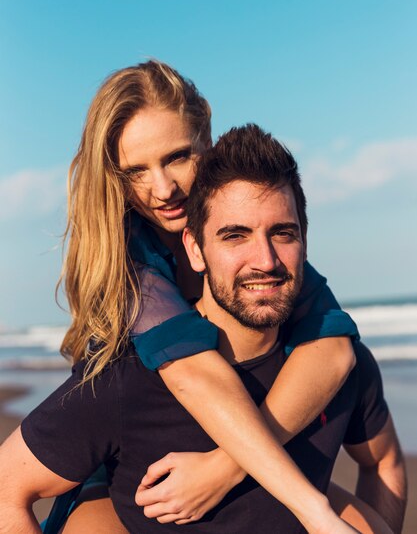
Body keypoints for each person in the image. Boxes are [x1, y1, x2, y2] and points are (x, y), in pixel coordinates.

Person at [0, 125, 406, 534]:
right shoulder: (128, 378)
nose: (265, 260)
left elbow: (384, 461)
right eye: (235, 236)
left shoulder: (340, 363)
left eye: (283, 234)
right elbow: (6, 489)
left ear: (305, 239)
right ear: (194, 248)